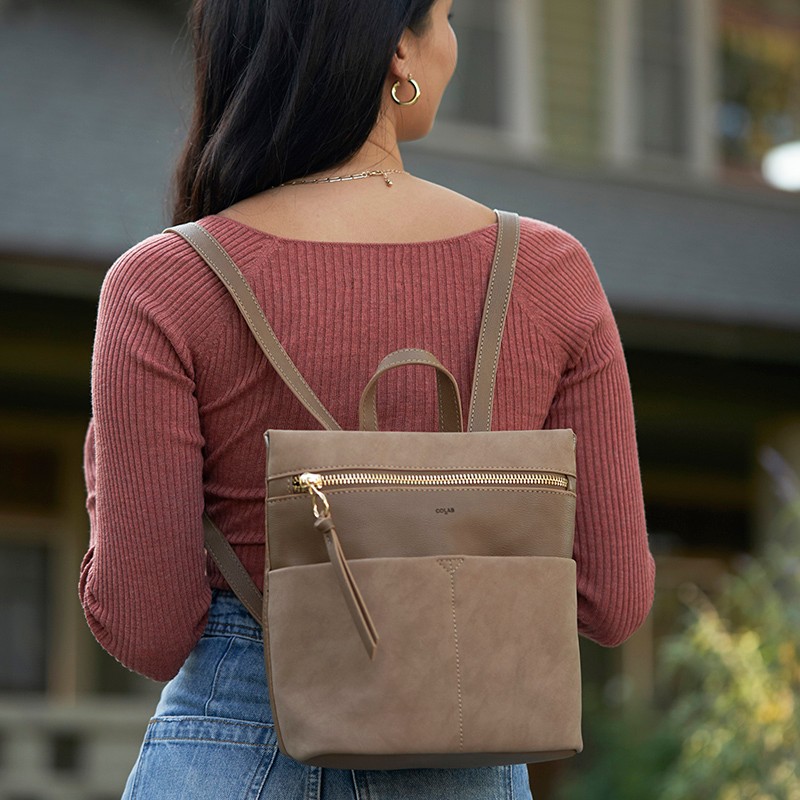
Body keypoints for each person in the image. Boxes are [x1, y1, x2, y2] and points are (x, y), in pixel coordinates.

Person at [79, 0, 656, 797]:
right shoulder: (549, 273)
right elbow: (614, 603)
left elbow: (144, 628)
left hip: (230, 753)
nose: (452, 45)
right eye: (448, 16)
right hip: (467, 752)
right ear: (397, 50)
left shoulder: (164, 283)